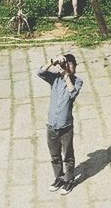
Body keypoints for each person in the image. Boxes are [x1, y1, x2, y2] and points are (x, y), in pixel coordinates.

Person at [37, 53, 84, 195]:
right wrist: (53, 61)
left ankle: (69, 180)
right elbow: (40, 72)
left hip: (66, 127)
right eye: (66, 64)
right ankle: (59, 178)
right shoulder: (55, 79)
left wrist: (66, 76)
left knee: (68, 155)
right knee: (54, 156)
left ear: (75, 67)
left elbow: (72, 94)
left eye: (70, 65)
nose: (68, 67)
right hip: (51, 125)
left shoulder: (77, 81)